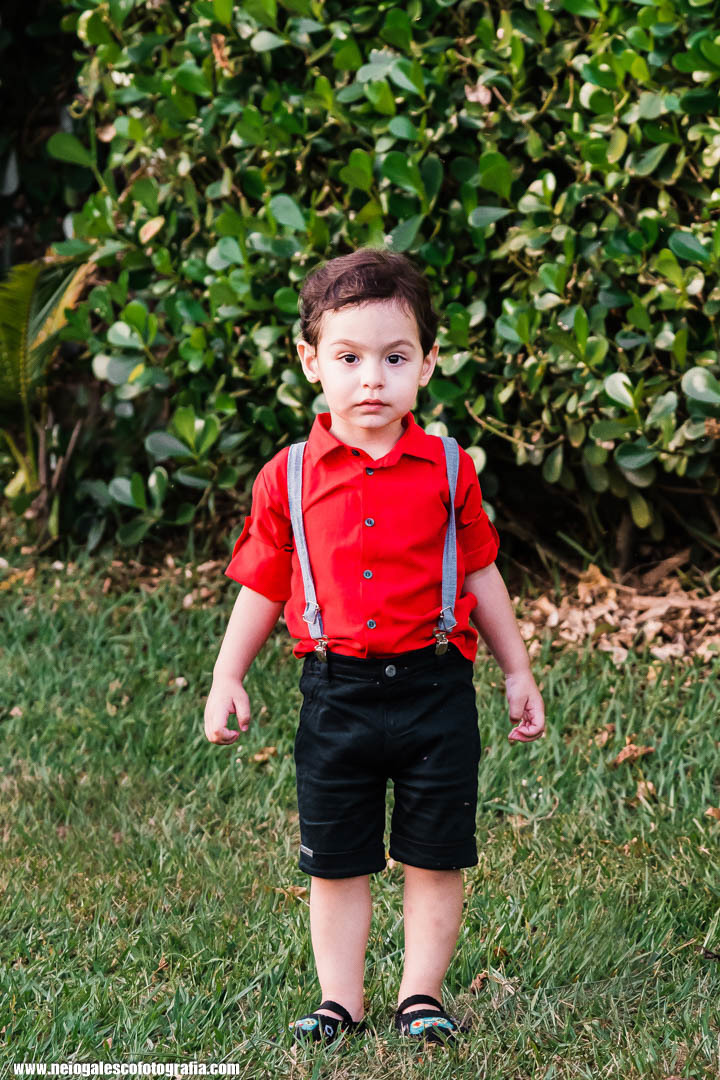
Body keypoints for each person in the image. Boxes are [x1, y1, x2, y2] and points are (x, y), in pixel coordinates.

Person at [204, 248, 546, 1047]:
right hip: (337, 695)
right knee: (337, 860)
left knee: (435, 854)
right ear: (310, 361)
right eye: (348, 358)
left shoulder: (449, 469)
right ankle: (341, 1001)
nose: (371, 380)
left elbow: (481, 572)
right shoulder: (288, 476)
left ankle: (420, 996)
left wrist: (517, 670)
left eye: (394, 359)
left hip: (435, 691)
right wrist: (227, 674)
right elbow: (262, 582)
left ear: (427, 363)